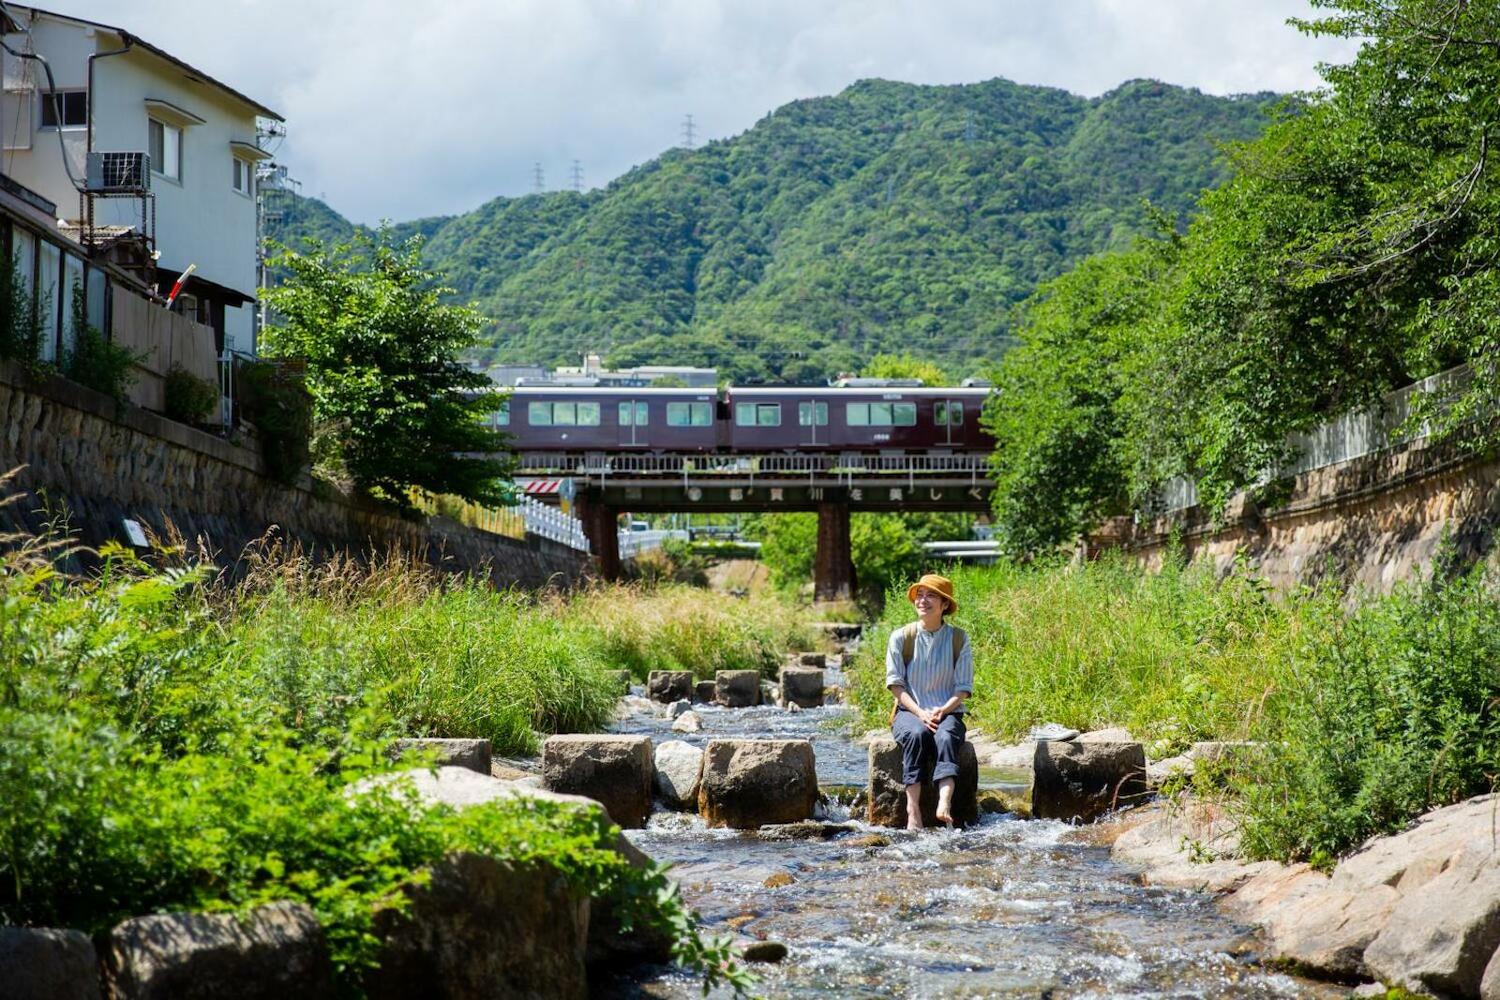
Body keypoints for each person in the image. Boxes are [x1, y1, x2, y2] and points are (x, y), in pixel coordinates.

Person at [885, 573, 973, 830]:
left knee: (946, 737)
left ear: (945, 605)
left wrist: (943, 710)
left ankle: (943, 803)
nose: (923, 601)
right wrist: (921, 713)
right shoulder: (901, 637)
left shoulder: (959, 639)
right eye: (919, 595)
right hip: (909, 710)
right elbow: (895, 685)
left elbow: (964, 688)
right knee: (917, 735)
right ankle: (913, 810)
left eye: (931, 595)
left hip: (949, 710)